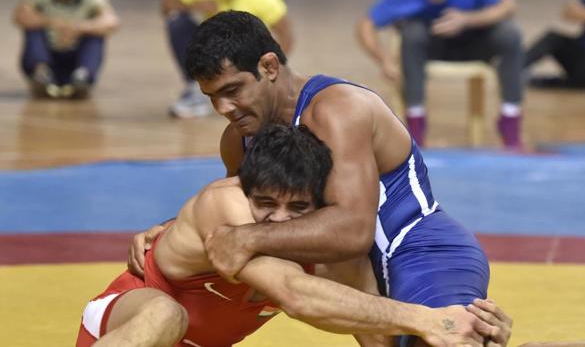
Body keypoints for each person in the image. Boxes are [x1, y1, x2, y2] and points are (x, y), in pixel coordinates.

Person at [130, 11, 507, 347]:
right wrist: (173, 227)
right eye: (212, 96)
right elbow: (237, 208)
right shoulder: (238, 138)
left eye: (232, 91)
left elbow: (353, 230)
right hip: (350, 272)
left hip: (416, 247)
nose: (223, 109)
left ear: (269, 66)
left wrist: (246, 238)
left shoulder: (338, 109)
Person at [77, 124, 497, 347]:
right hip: (127, 325)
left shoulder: (333, 252)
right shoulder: (227, 212)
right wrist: (428, 319)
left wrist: (458, 333)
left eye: (298, 209)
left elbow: (373, 328)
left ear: (320, 204)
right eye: (265, 204)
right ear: (245, 190)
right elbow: (296, 294)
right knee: (166, 314)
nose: (278, 223)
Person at [355, 0, 524, 149]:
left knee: (510, 34)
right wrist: (383, 59)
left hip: (474, 44)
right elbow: (366, 24)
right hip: (430, 47)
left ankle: (510, 123)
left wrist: (468, 19)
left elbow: (508, 6)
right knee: (412, 34)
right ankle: (416, 124)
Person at [161, 0, 293, 118]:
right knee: (177, 21)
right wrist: (195, 5)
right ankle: (196, 87)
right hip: (215, 49)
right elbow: (167, 5)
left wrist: (267, 67)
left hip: (246, 54)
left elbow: (286, 36)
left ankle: (250, 85)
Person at [12, 0, 119, 99]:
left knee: (96, 35)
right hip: (47, 57)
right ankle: (41, 72)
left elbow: (111, 22)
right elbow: (20, 17)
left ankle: (82, 75)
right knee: (33, 30)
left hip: (75, 60)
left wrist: (78, 28)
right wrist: (53, 23)